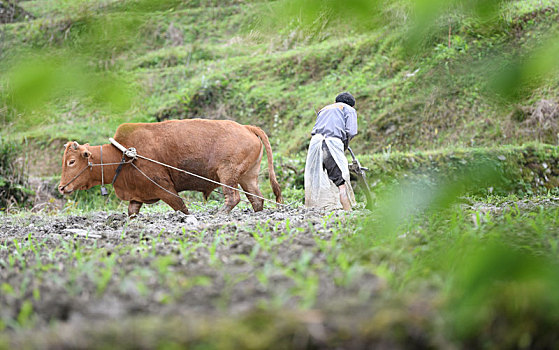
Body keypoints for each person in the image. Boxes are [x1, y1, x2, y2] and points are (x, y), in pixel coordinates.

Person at [304, 92, 357, 211]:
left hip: (315, 144)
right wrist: (344, 144)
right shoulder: (348, 109)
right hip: (331, 143)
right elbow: (351, 131)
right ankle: (347, 211)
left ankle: (316, 208)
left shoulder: (324, 109)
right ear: (352, 105)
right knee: (341, 180)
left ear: (336, 102)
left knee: (317, 177)